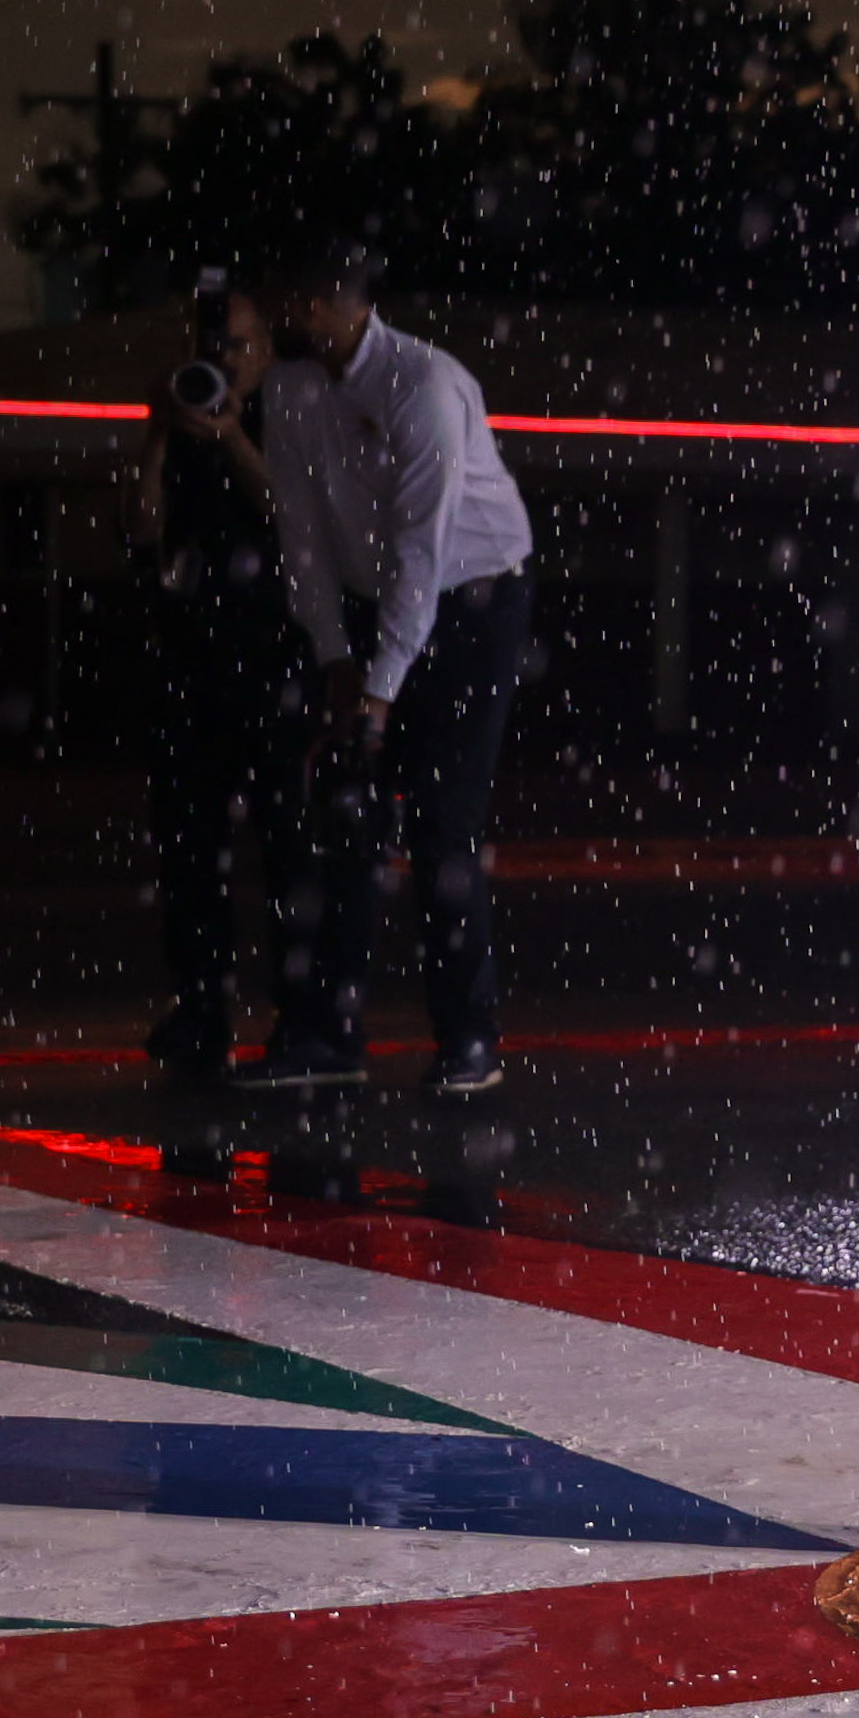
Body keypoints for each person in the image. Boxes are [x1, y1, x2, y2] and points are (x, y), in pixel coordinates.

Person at [250, 239, 534, 1096]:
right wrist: (334, 654)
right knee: (346, 817)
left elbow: (423, 551)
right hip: (373, 594)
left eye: (285, 304)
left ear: (324, 305)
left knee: (443, 824)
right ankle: (328, 1032)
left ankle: (470, 1037)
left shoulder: (424, 386)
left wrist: (380, 690)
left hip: (473, 597)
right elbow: (299, 530)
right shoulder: (290, 387)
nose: (272, 321)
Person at [136, 275, 306, 1078]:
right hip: (190, 657)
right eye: (211, 346)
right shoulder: (177, 414)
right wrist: (158, 434)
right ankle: (201, 1007)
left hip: (272, 655)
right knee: (189, 846)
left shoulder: (289, 417)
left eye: (238, 345)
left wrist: (234, 436)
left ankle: (300, 1015)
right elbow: (142, 526)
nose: (223, 361)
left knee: (285, 843)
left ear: (266, 353)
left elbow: (293, 516)